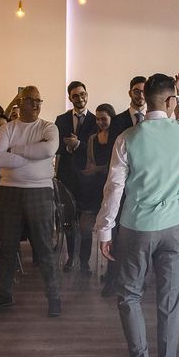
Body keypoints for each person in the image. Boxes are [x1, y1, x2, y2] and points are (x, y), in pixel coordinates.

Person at [95, 72, 179, 357]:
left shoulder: (127, 138)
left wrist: (105, 230)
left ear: (143, 98)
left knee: (129, 296)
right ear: (170, 100)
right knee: (169, 302)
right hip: (176, 226)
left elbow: (114, 189)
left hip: (137, 227)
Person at [0, 86, 61, 317]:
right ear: (20, 102)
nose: (36, 105)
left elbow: (49, 149)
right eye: (31, 100)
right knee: (7, 246)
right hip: (9, 192)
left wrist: (15, 152)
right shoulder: (6, 128)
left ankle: (54, 297)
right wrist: (32, 157)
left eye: (39, 101)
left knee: (45, 247)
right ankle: (4, 294)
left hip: (40, 192)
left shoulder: (48, 127)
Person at [101, 75, 146, 297]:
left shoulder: (152, 121)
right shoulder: (118, 121)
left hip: (143, 187)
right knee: (117, 234)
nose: (140, 95)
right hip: (121, 185)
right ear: (130, 93)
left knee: (138, 236)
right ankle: (111, 280)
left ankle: (138, 280)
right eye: (137, 91)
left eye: (144, 91)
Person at [54, 81, 97, 274]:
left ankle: (85, 261)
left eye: (82, 94)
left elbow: (97, 146)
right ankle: (71, 258)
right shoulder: (61, 119)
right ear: (69, 98)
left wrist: (79, 144)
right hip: (67, 178)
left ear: (87, 94)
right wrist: (68, 146)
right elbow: (54, 146)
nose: (80, 98)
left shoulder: (96, 121)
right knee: (69, 222)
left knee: (86, 224)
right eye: (75, 95)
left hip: (88, 180)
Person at [79, 103, 116, 275]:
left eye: (104, 118)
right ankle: (83, 263)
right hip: (93, 188)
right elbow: (89, 161)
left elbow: (116, 165)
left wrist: (98, 169)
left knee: (112, 229)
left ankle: (110, 269)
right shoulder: (93, 139)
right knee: (85, 226)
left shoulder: (117, 138)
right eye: (98, 119)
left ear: (111, 118)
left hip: (111, 185)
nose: (101, 122)